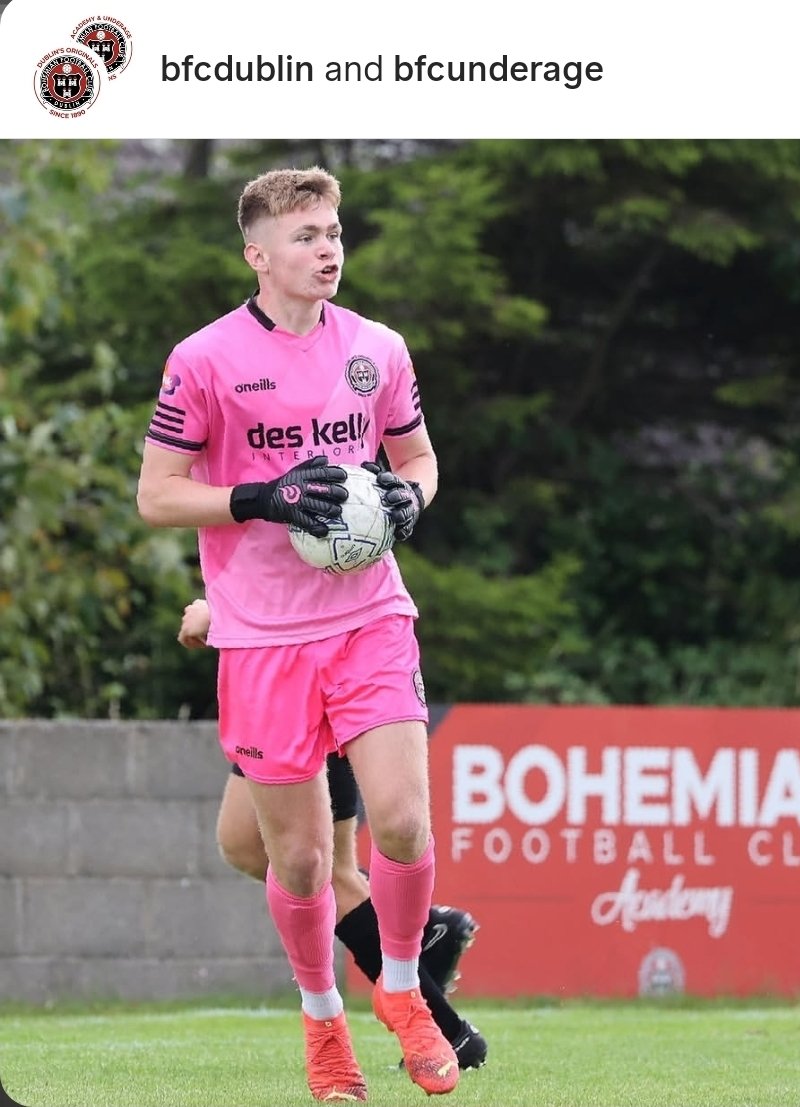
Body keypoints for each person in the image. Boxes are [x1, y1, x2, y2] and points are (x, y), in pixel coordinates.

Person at [137, 166, 459, 1101]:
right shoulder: (201, 359)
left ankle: (401, 991)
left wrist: (411, 496)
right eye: (307, 235)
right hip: (263, 638)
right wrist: (259, 497)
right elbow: (156, 495)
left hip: (370, 617)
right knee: (304, 860)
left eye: (334, 231)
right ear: (258, 254)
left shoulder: (377, 348)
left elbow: (418, 458)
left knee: (401, 821)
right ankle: (323, 1020)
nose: (328, 249)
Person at [178, 597, 487, 1069]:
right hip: (262, 671)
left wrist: (222, 613)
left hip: (317, 661)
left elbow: (302, 561)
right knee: (243, 842)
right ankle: (424, 937)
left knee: (323, 869)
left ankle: (450, 1032)